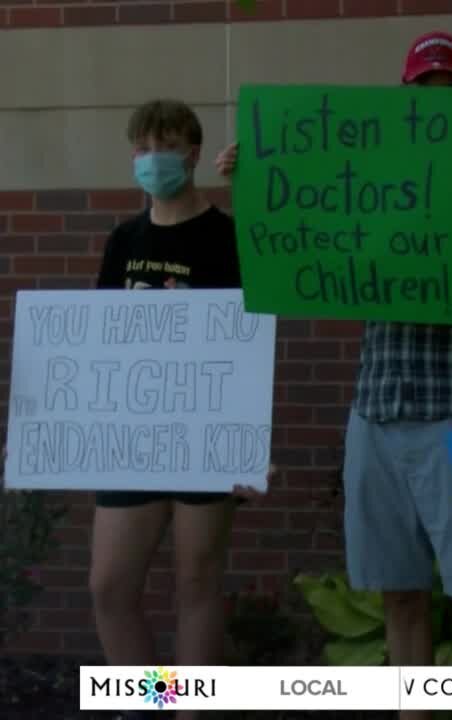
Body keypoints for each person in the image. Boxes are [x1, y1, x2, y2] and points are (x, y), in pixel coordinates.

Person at [218, 30, 452, 720]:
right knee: (397, 590)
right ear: (405, 97)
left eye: (450, 93)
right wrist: (252, 181)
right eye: (424, 91)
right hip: (377, 406)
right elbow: (298, 218)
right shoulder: (366, 169)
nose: (435, 104)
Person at [90, 98, 272, 720]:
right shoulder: (125, 241)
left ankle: (190, 712)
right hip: (132, 438)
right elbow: (95, 344)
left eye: (162, 146)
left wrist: (250, 442)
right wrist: (52, 429)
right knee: (111, 586)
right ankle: (146, 706)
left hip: (206, 435)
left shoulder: (226, 239)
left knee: (196, 582)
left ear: (193, 153)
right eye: (141, 148)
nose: (150, 159)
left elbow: (250, 344)